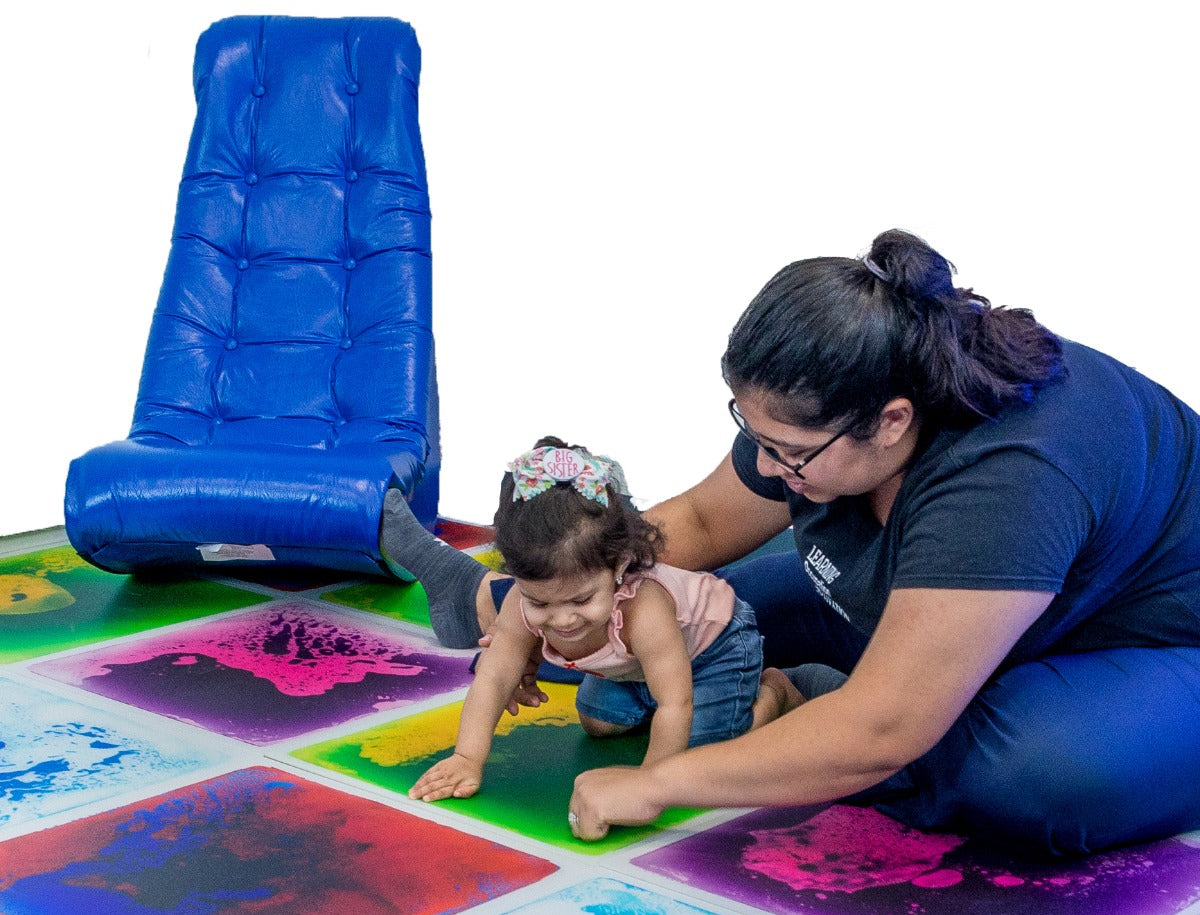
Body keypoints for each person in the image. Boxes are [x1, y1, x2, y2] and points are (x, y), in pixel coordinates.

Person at [562, 229, 1200, 854]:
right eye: (754, 434)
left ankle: (821, 701)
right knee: (678, 612)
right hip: (978, 596)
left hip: (1153, 642)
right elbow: (703, 520)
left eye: (788, 452)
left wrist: (659, 785)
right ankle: (854, 699)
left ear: (892, 422)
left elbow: (885, 730)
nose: (762, 467)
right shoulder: (841, 390)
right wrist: (558, 587)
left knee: (1034, 776)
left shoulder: (1007, 477)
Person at [384, 437, 766, 804]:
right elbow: (495, 677)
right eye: (540, 602)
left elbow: (676, 701)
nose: (563, 620)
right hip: (640, 668)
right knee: (600, 721)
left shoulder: (645, 610)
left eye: (582, 599)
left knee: (700, 750)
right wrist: (467, 757)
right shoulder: (522, 601)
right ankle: (656, 696)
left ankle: (772, 694)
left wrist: (650, 783)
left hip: (716, 648)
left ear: (619, 565)